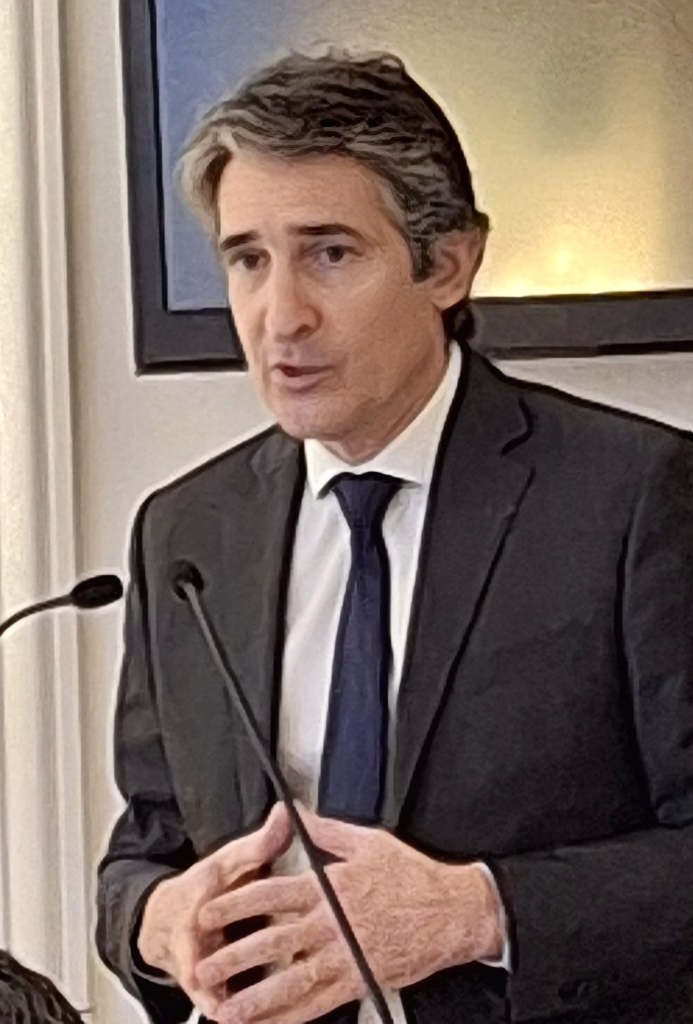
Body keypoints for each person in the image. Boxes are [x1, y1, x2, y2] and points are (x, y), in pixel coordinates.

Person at [96, 49, 693, 1024]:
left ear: (447, 263)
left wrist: (477, 912)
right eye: (248, 259)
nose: (280, 316)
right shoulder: (185, 529)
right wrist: (158, 923)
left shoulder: (636, 496)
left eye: (330, 253)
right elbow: (144, 851)